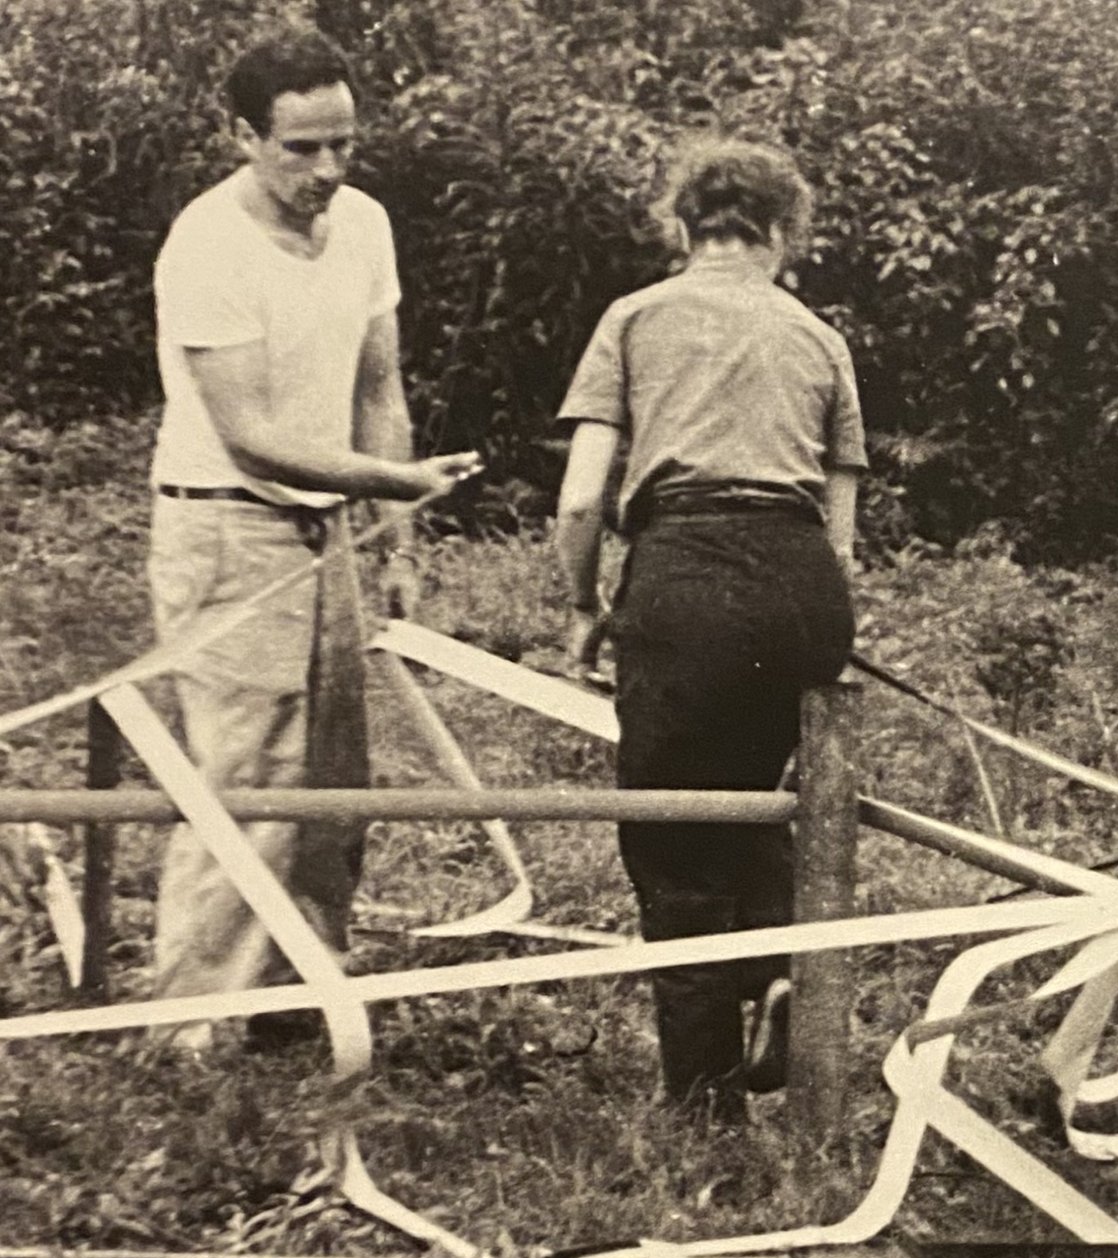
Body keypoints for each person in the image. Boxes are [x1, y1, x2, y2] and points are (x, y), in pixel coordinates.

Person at [147, 27, 479, 1044]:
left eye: (343, 144)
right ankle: (195, 1026)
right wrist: (394, 481)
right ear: (242, 136)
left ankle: (297, 995)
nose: (327, 169)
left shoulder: (365, 225)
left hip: (326, 534)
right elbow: (252, 436)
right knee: (246, 779)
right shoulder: (207, 243)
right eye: (301, 149)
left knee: (334, 779)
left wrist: (397, 540)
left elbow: (379, 388)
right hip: (226, 526)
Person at [555, 139, 865, 1119]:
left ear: (684, 229)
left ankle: (704, 1108)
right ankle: (775, 967)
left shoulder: (634, 318)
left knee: (674, 839)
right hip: (801, 585)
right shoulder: (819, 338)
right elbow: (842, 537)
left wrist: (584, 605)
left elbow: (579, 501)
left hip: (686, 575)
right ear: (781, 232)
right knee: (760, 797)